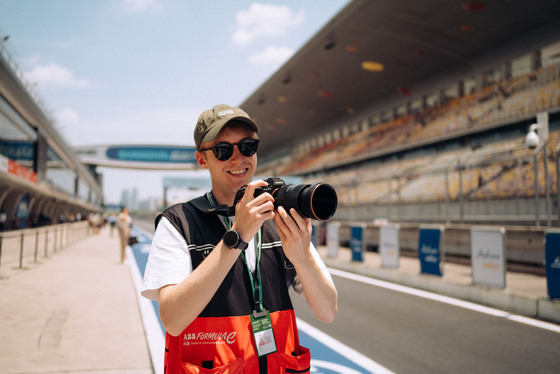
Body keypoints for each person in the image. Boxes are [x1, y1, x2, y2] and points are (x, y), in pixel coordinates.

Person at [141, 104, 338, 373]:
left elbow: (327, 311)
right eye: (223, 151)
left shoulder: (277, 217)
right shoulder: (178, 222)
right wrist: (238, 236)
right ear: (202, 160)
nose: (238, 159)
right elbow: (173, 320)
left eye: (247, 147)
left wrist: (302, 259)